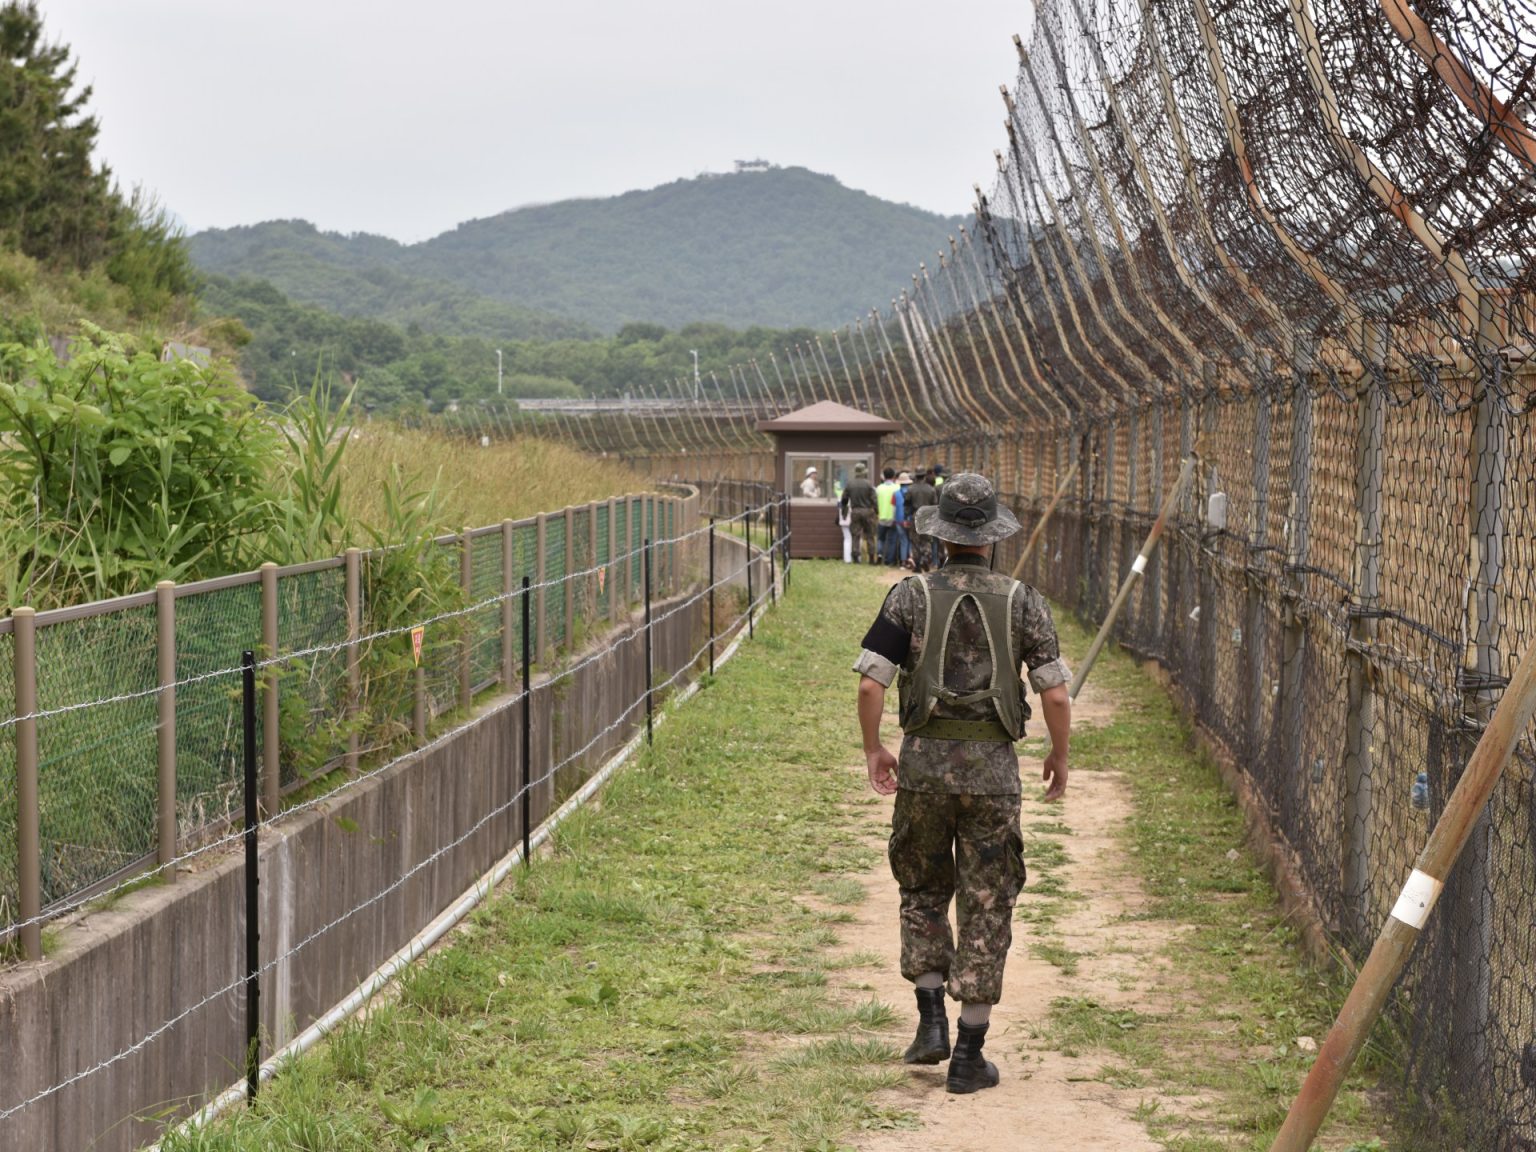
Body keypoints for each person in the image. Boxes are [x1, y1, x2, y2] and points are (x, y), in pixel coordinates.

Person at [853, 472, 1071, 1095]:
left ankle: (929, 1022)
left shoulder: (909, 596)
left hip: (921, 767)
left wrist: (874, 748)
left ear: (941, 534)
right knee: (987, 898)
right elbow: (1053, 692)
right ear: (993, 536)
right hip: (994, 774)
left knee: (921, 885)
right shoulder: (1024, 600)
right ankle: (970, 1055)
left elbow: (872, 682)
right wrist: (1060, 755)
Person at [839, 462, 879, 564]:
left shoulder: (850, 484)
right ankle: (871, 559)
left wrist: (844, 510)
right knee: (870, 534)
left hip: (855, 511)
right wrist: (876, 511)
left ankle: (856, 558)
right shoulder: (869, 484)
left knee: (855, 535)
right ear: (863, 472)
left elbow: (844, 499)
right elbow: (874, 499)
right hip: (868, 511)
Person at [903, 470, 939, 571]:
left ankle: (917, 564)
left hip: (916, 515)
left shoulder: (910, 489)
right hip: (927, 515)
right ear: (924, 476)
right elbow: (935, 505)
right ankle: (925, 558)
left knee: (915, 541)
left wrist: (907, 516)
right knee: (927, 540)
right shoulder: (931, 489)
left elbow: (906, 504)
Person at [875, 467, 899, 565]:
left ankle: (880, 555)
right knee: (892, 540)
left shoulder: (879, 488)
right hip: (893, 517)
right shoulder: (897, 487)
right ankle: (889, 560)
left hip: (882, 517)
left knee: (881, 538)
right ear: (893, 476)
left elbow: (875, 502)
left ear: (883, 476)